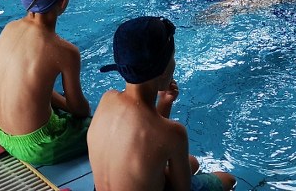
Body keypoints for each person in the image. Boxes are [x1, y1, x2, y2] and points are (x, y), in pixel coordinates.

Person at [90, 16, 236, 191]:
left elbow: (146, 136)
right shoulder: (174, 133)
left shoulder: (107, 98)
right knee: (227, 180)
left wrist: (165, 101)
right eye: (173, 58)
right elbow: (182, 189)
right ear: (163, 69)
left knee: (192, 162)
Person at [0, 0, 91, 166]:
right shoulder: (65, 52)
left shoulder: (9, 28)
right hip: (38, 147)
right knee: (100, 126)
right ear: (64, 1)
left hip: (1, 133)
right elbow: (80, 110)